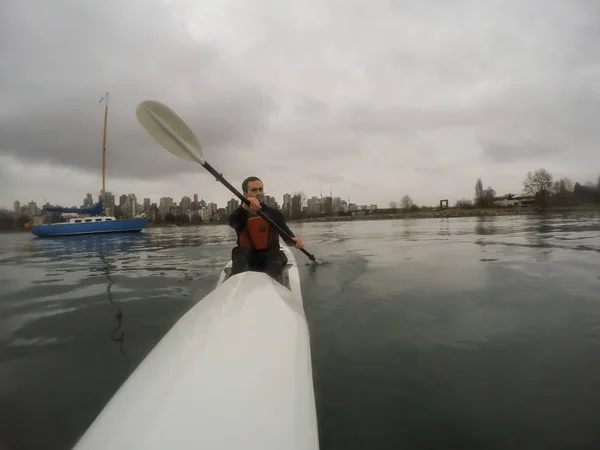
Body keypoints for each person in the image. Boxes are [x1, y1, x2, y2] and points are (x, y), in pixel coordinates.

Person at [228, 176, 304, 281]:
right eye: (254, 190)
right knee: (239, 255)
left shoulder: (275, 214)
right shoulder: (239, 214)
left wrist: (295, 240)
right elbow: (232, 222)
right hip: (246, 256)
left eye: (261, 189)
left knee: (274, 260)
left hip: (271, 255)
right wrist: (246, 206)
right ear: (245, 194)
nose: (258, 193)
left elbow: (288, 238)